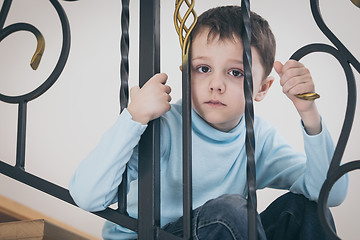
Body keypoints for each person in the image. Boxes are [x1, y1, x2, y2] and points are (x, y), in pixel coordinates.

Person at [69, 5, 348, 240]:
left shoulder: (258, 137)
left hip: (220, 228)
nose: (216, 84)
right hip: (153, 235)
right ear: (185, 74)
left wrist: (308, 111)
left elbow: (330, 194)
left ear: (262, 88)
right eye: (203, 69)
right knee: (230, 212)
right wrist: (134, 117)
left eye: (236, 72)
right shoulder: (164, 127)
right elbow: (87, 196)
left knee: (307, 209)